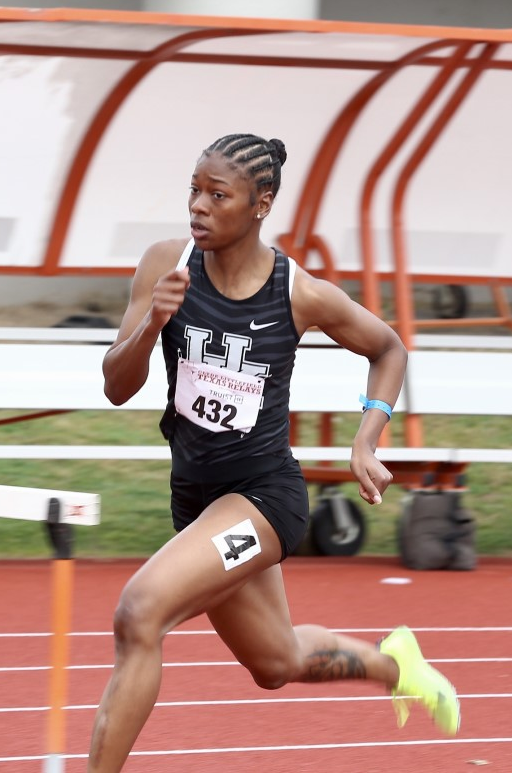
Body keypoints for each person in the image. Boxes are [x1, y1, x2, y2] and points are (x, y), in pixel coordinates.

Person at [87, 133, 460, 771]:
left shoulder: (299, 292)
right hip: (198, 501)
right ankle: (393, 663)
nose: (198, 207)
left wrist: (366, 438)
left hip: (263, 499)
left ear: (261, 204)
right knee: (275, 662)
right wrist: (152, 322)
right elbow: (117, 387)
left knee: (139, 614)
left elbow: (388, 348)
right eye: (194, 191)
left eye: (217, 194)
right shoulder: (164, 265)